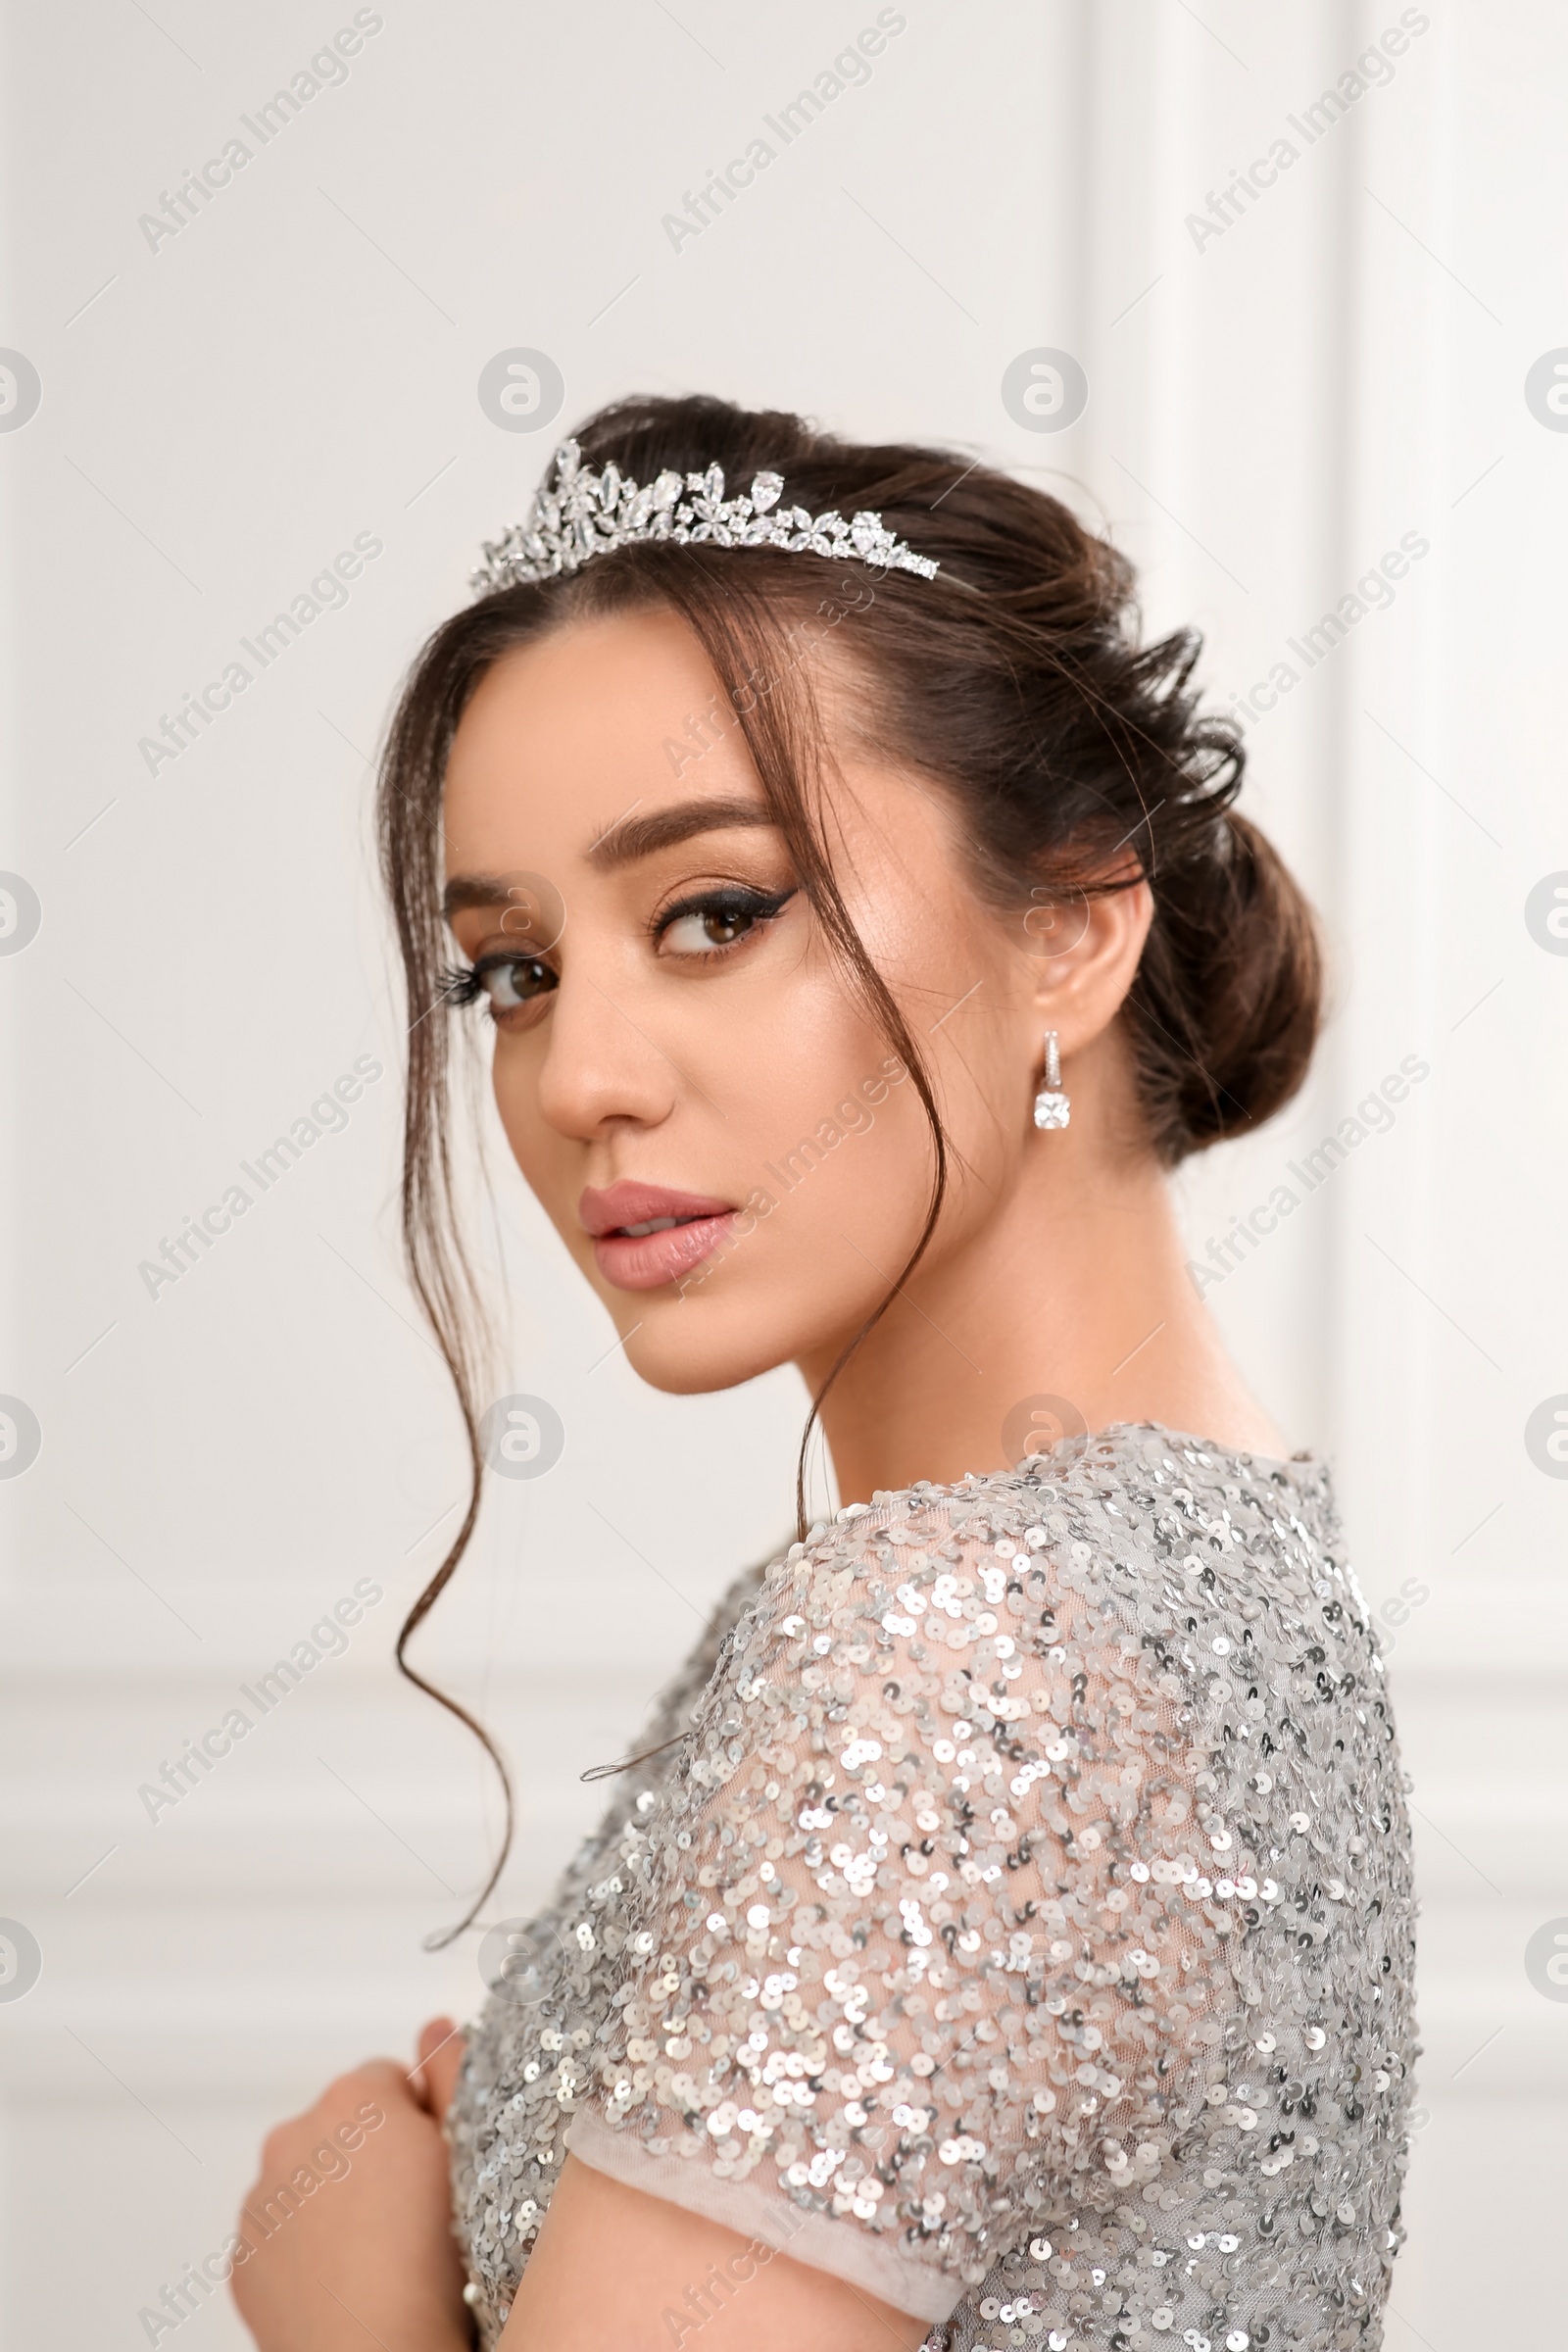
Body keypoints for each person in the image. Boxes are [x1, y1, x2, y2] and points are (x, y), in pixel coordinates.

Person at [232, 396, 1416, 2352]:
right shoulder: (1218, 1564)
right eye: (511, 969)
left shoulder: (954, 1661)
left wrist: (347, 2297)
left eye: (714, 912)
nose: (579, 1076)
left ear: (1069, 932)